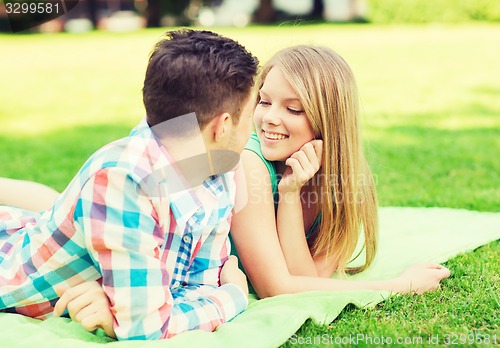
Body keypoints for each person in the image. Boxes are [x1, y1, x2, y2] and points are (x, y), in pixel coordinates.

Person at [1, 45, 450, 338]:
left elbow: (312, 274)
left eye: (293, 109)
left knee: (63, 206)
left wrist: (292, 195)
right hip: (124, 229)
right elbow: (278, 286)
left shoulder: (317, 172)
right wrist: (398, 285)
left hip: (152, 234)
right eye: (263, 101)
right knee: (69, 206)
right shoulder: (241, 164)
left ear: (331, 119)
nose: (268, 118)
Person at [0, 29, 259, 340]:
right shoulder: (125, 181)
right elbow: (147, 329)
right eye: (250, 113)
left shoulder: (215, 167)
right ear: (223, 125)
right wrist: (232, 297)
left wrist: (143, 308)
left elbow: (199, 284)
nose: (255, 124)